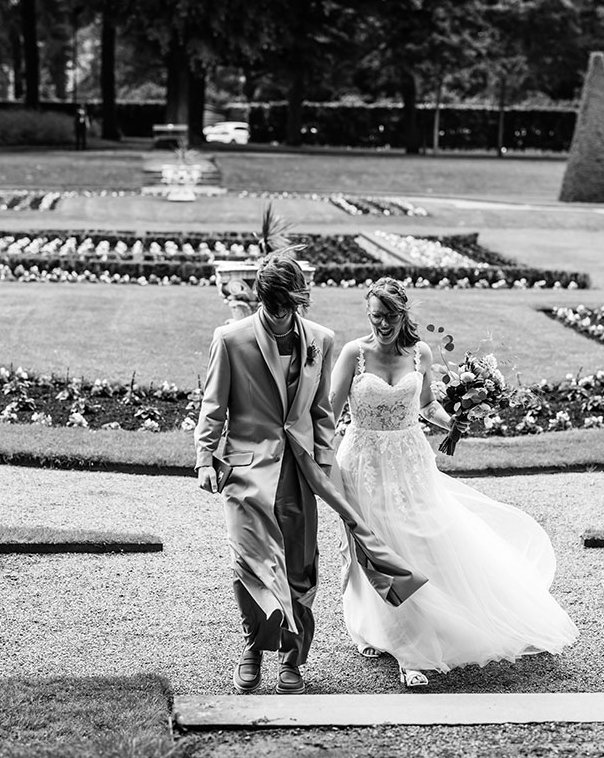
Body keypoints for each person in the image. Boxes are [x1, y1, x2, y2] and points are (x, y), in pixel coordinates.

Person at [327, 278, 578, 688]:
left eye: (390, 317)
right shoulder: (354, 354)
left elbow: (425, 405)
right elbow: (329, 414)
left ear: (403, 315)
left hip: (410, 462)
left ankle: (416, 635)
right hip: (364, 463)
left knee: (422, 542)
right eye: (375, 317)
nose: (382, 325)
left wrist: (453, 421)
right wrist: (325, 467)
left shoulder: (420, 353)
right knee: (379, 547)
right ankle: (402, 646)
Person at [195, 251, 425, 696]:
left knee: (301, 566)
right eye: (273, 306)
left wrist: (326, 464)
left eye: (289, 306)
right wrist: (206, 459)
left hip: (301, 472)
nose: (280, 316)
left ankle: (291, 657)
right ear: (263, 299)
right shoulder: (230, 339)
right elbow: (213, 406)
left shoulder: (322, 339)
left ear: (299, 302)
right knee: (250, 560)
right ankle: (252, 648)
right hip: (246, 471)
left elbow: (321, 413)